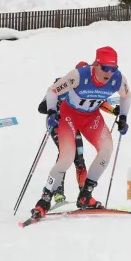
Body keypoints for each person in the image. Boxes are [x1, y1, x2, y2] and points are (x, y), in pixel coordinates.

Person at [30, 46, 131, 220]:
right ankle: (45, 200)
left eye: (113, 68)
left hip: (91, 118)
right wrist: (52, 111)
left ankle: (86, 194)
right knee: (67, 158)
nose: (109, 72)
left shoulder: (118, 79)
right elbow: (53, 91)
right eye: (105, 68)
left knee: (106, 149)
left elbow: (126, 97)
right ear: (96, 64)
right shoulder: (79, 75)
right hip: (69, 115)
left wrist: (122, 116)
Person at [37, 61, 90, 203]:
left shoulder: (86, 90)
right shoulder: (62, 83)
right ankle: (58, 193)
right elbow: (41, 107)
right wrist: (56, 108)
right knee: (65, 154)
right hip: (57, 124)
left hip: (73, 125)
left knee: (79, 157)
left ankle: (84, 196)